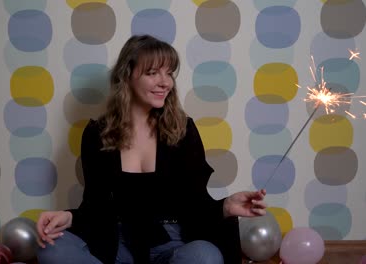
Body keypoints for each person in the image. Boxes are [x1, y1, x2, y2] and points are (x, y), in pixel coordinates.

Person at [36, 35, 267, 264]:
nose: (165, 82)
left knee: (205, 256)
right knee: (51, 249)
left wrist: (226, 206)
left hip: (172, 243)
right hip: (114, 242)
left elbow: (195, 204)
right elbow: (95, 206)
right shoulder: (97, 134)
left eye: (169, 73)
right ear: (127, 76)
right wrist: (68, 217)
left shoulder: (183, 131)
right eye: (152, 72)